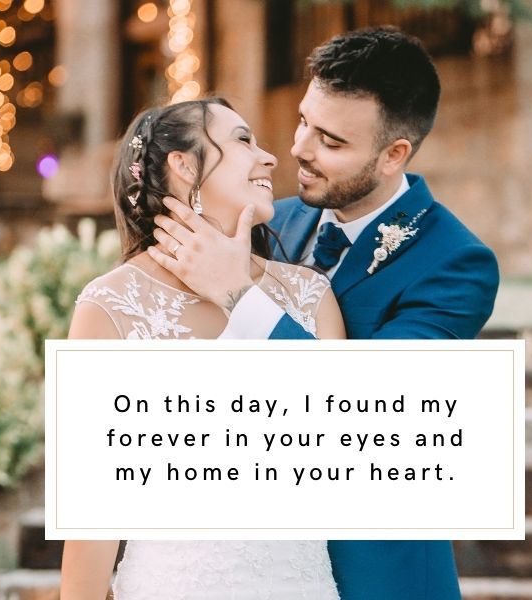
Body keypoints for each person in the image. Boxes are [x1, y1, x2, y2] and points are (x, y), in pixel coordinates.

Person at [149, 27, 500, 600]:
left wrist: (239, 294)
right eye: (303, 120)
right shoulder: (271, 218)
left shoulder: (456, 264)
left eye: (331, 141)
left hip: (374, 573)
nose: (299, 149)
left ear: (394, 155)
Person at [61, 97, 345, 599]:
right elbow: (93, 518)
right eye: (242, 140)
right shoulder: (109, 308)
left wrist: (239, 295)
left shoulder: (309, 296)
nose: (270, 157)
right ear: (184, 164)